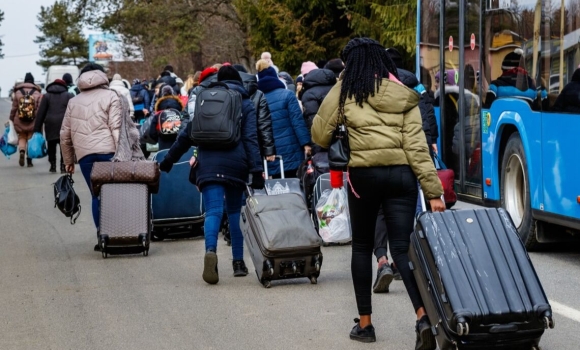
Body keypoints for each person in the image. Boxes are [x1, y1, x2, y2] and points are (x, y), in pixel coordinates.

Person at [311, 38, 444, 348]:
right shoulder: (404, 95)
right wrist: (433, 191)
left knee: (361, 246)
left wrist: (341, 84)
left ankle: (366, 325)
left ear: (350, 66)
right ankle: (423, 317)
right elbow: (416, 146)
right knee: (402, 248)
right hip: (402, 177)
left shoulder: (346, 93)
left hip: (364, 177)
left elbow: (319, 134)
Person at [158, 66, 263, 284]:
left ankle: (210, 251)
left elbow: (187, 135)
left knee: (213, 211)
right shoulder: (244, 102)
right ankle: (238, 263)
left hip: (207, 163)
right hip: (236, 164)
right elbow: (251, 139)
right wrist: (256, 170)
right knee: (235, 212)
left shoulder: (205, 100)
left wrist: (168, 160)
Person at [60, 63, 123, 250]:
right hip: (109, 152)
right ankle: (118, 234)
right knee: (113, 194)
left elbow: (65, 134)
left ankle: (101, 236)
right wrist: (122, 154)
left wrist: (68, 161)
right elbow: (116, 127)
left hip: (85, 156)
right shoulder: (111, 96)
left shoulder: (73, 101)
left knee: (96, 195)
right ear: (101, 76)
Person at [257, 60, 311, 178]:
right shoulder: (287, 95)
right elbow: (297, 122)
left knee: (278, 189)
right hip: (292, 151)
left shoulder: (258, 99)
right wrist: (306, 143)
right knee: (295, 187)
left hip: (272, 154)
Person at [233, 64, 276, 161]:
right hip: (255, 146)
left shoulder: (225, 91)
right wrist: (269, 150)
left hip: (231, 146)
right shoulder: (258, 94)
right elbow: (264, 124)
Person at [33, 79, 73, 173]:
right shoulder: (68, 95)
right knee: (64, 146)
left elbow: (41, 113)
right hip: (64, 123)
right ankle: (63, 166)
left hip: (50, 124)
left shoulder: (46, 96)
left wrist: (37, 128)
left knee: (51, 145)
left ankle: (53, 165)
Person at [9, 72, 42, 167]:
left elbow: (14, 107)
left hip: (20, 119)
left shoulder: (18, 92)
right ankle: (29, 160)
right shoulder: (37, 92)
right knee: (30, 138)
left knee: (22, 136)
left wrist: (11, 118)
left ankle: (22, 150)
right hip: (33, 119)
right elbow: (39, 108)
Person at [149, 85, 184, 150]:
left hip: (163, 143)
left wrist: (158, 137)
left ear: (162, 94)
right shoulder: (180, 111)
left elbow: (152, 132)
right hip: (178, 142)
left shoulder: (159, 113)